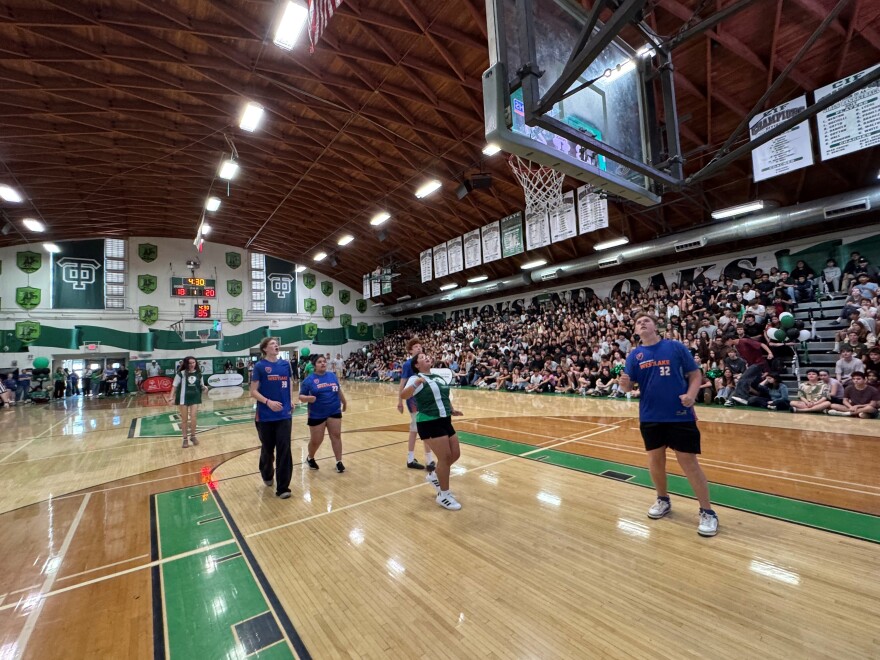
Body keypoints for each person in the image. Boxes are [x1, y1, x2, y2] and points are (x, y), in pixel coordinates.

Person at [619, 313, 719, 537]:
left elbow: (695, 373)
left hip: (679, 414)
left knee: (689, 463)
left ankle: (708, 512)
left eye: (646, 320)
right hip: (650, 416)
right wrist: (625, 385)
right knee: (655, 460)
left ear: (656, 326)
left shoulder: (674, 347)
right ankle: (662, 499)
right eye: (638, 322)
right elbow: (628, 387)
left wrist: (692, 395)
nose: (642, 323)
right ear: (635, 331)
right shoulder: (635, 355)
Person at [400, 352, 465, 511]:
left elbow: (444, 395)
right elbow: (404, 394)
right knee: (445, 457)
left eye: (427, 356)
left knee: (455, 454)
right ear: (417, 365)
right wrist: (416, 384)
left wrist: (452, 409)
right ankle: (443, 495)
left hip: (444, 419)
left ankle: (434, 475)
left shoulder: (438, 377)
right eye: (422, 357)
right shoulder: (415, 378)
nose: (426, 357)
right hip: (428, 421)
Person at [250, 337, 294, 499]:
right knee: (268, 450)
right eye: (272, 344)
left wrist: (290, 401)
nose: (276, 345)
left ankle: (283, 487)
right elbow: (253, 391)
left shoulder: (285, 365)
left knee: (284, 449)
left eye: (277, 344)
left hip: (284, 415)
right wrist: (268, 402)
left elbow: (288, 384)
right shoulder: (260, 367)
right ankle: (267, 472)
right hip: (265, 416)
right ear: (265, 349)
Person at [299, 355, 347, 473]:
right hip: (317, 414)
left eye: (324, 362)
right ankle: (310, 457)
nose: (323, 363)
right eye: (320, 362)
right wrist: (308, 398)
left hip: (334, 410)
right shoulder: (309, 380)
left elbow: (338, 390)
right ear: (314, 365)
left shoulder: (332, 376)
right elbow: (301, 396)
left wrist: (344, 402)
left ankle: (338, 462)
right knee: (317, 440)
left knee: (336, 436)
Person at [398, 338, 434, 471]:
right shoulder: (408, 365)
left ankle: (411, 458)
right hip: (413, 400)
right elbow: (402, 383)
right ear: (410, 350)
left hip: (424, 399)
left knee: (415, 429)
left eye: (420, 346)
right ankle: (429, 461)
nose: (419, 348)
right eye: (416, 346)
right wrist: (399, 401)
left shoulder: (424, 363)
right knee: (423, 428)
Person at [724, 336, 774, 406]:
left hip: (758, 363)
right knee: (753, 383)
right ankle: (770, 397)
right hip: (752, 365)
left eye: (726, 343)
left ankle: (743, 397)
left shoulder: (745, 341)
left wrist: (770, 353)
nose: (726, 345)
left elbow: (761, 344)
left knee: (743, 378)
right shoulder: (737, 346)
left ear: (729, 339)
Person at [172, 356, 207, 448]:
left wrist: (204, 388)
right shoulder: (181, 374)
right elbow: (174, 386)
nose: (192, 364)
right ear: (186, 364)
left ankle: (193, 436)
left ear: (196, 363)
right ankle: (185, 439)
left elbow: (202, 386)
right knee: (184, 420)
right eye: (190, 363)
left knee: (193, 417)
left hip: (194, 398)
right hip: (183, 398)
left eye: (193, 363)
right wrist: (171, 396)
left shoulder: (199, 374)